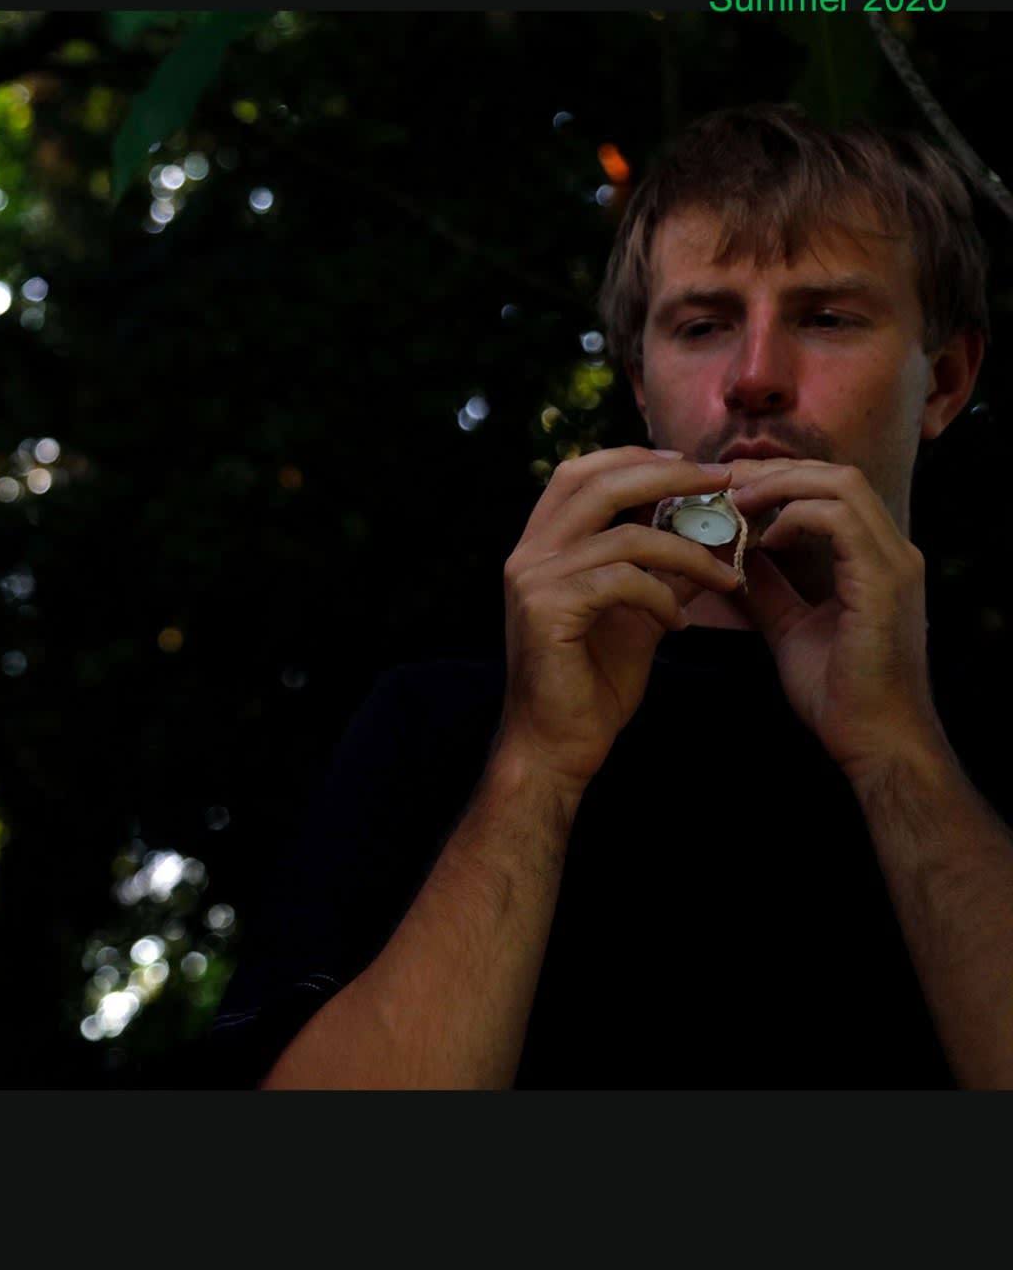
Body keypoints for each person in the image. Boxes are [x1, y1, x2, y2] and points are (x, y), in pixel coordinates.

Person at [213, 103, 1013, 1089]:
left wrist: (898, 754)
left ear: (944, 380)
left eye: (827, 316)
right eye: (703, 323)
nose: (755, 376)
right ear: (642, 382)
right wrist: (539, 765)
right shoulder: (436, 721)